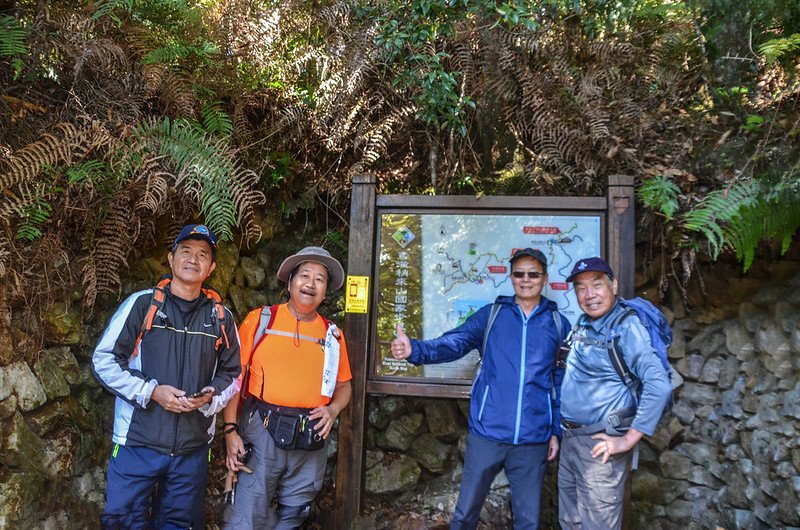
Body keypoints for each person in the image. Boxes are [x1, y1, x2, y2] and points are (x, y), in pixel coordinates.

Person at [391, 248, 570, 530]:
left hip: (533, 439)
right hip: (487, 434)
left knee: (529, 522)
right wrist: (416, 349)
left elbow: (558, 382)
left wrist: (555, 431)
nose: (526, 279)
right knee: (465, 516)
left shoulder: (559, 324)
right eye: (519, 273)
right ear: (511, 278)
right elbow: (454, 343)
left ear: (544, 279)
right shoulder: (492, 315)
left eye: (533, 274)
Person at [92, 223, 242, 529]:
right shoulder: (143, 305)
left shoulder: (221, 318)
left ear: (211, 267)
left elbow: (234, 374)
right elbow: (104, 361)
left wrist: (209, 399)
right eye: (185, 251)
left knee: (178, 524)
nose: (193, 259)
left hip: (192, 448)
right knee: (122, 521)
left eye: (203, 254)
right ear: (171, 258)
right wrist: (152, 391)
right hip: (137, 442)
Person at [222, 246, 353, 529]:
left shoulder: (332, 335)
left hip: (311, 435)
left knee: (294, 513)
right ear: (291, 281)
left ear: (326, 290)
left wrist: (332, 410)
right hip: (262, 430)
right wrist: (230, 430)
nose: (311, 283)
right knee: (247, 511)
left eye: (320, 279)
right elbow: (235, 380)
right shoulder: (260, 321)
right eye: (305, 275)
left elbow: (344, 385)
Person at [558, 256, 672, 530]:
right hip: (570, 440)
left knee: (597, 525)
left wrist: (627, 441)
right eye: (581, 288)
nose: (589, 295)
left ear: (614, 285)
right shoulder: (584, 323)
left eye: (596, 285)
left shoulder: (626, 326)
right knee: (569, 522)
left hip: (600, 445)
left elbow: (659, 384)